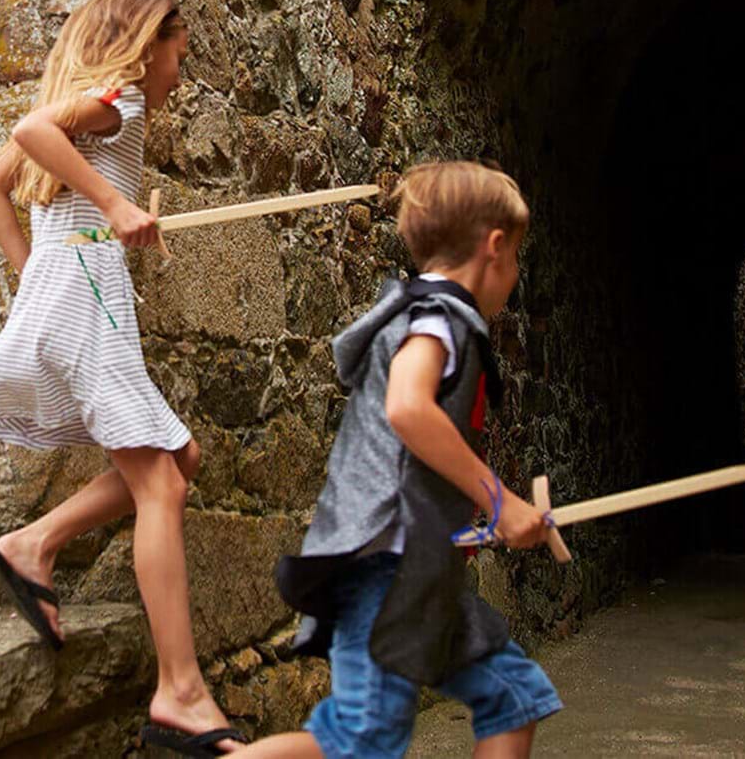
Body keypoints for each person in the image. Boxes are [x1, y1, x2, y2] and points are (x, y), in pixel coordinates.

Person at [0, 0, 246, 756]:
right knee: (160, 485)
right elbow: (31, 130)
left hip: (69, 285)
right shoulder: (122, 101)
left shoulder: (94, 105)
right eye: (179, 54)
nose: (181, 73)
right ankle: (181, 692)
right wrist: (114, 211)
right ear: (149, 43)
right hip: (86, 292)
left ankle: (32, 545)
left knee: (179, 457)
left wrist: (34, 274)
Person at [235, 161, 562, 759]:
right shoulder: (440, 320)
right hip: (389, 571)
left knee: (514, 697)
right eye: (515, 258)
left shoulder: (420, 310)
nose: (514, 276)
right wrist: (498, 499)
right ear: (494, 247)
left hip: (417, 569)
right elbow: (409, 409)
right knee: (362, 737)